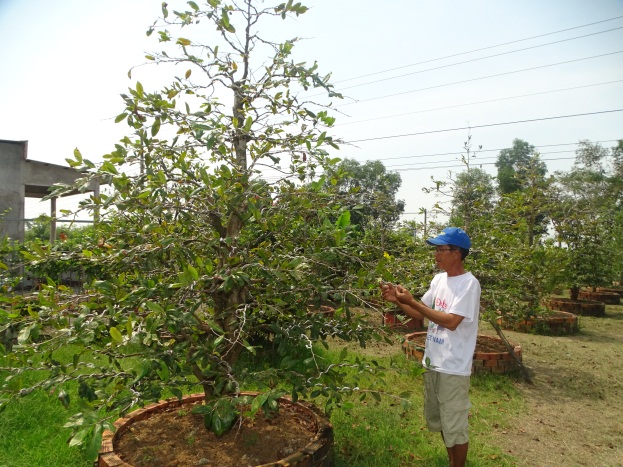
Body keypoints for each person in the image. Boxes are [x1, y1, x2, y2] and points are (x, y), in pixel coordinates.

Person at [380, 227, 481, 467]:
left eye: (440, 250)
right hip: (434, 362)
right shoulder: (439, 280)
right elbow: (419, 313)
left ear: (456, 253)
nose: (435, 254)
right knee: (443, 422)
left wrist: (412, 300)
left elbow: (451, 322)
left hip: (453, 367)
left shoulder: (469, 284)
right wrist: (399, 301)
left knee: (455, 425)